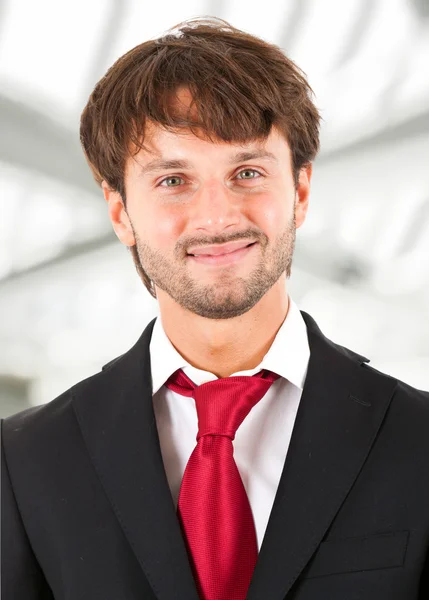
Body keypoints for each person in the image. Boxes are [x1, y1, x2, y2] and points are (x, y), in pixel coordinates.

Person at [2, 16, 429, 600]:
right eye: (174, 180)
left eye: (247, 172)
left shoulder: (419, 440)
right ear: (121, 211)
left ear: (300, 192)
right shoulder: (24, 462)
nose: (217, 217)